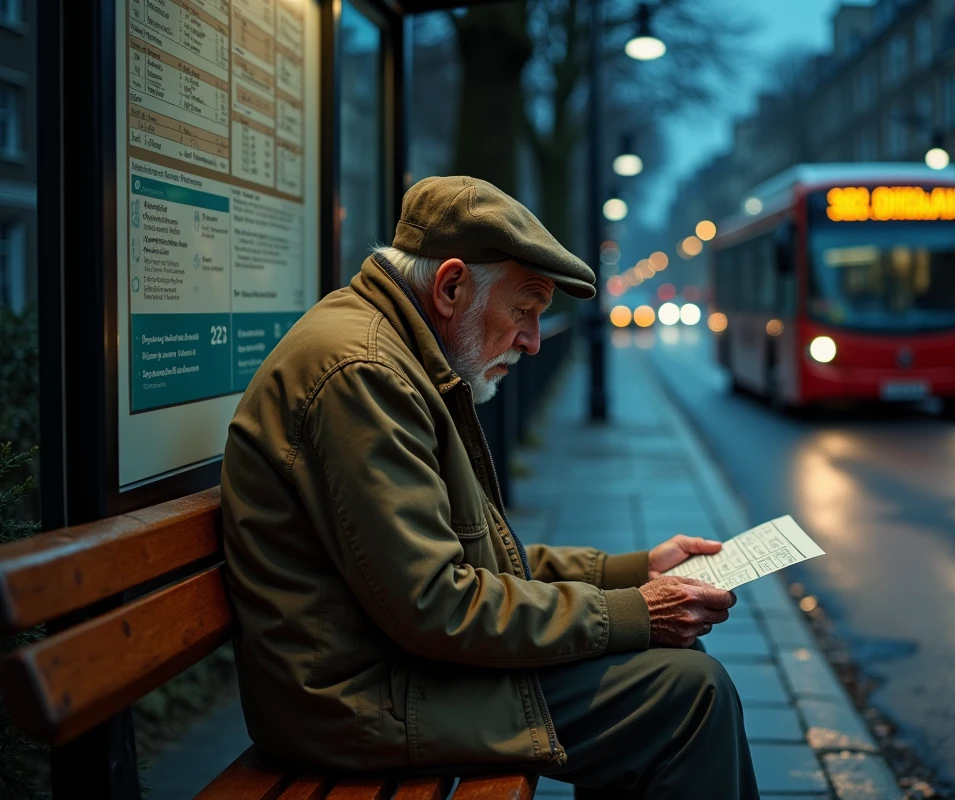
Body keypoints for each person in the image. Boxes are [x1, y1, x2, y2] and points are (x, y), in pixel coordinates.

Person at [221, 176, 758, 798]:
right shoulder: (364, 374)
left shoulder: (392, 353)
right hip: (357, 702)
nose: (532, 340)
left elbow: (474, 566)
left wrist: (634, 573)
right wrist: (637, 614)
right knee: (687, 695)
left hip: (391, 672)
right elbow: (437, 605)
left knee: (674, 684)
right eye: (523, 310)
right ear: (451, 287)